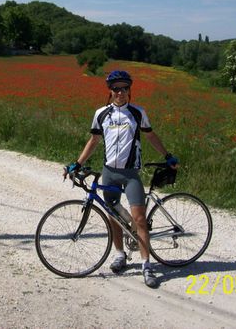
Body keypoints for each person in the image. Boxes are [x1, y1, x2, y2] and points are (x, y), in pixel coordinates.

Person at [64, 70, 178, 288]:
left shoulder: (137, 113)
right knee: (113, 216)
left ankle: (146, 265)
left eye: (124, 88)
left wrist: (167, 155)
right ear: (110, 91)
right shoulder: (101, 114)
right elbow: (94, 140)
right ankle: (120, 255)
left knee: (140, 220)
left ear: (129, 90)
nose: (120, 92)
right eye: (116, 88)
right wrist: (77, 164)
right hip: (110, 173)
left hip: (130, 174)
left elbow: (151, 136)